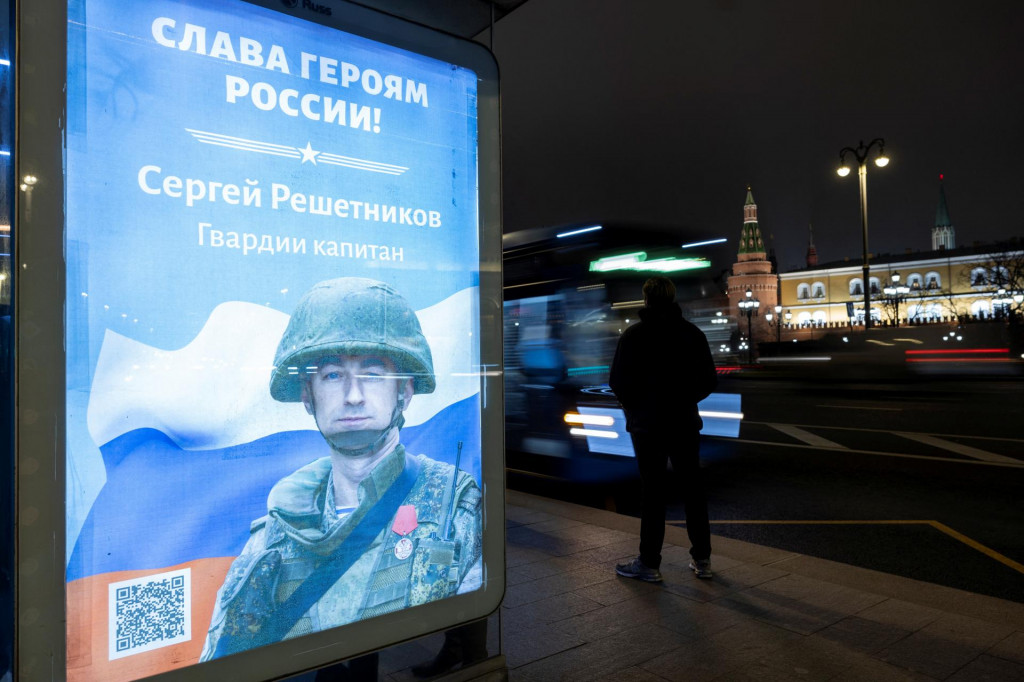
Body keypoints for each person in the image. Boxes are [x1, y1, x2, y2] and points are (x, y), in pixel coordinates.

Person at [201, 278, 483, 661]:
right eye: (333, 375)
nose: (353, 396)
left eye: (373, 374)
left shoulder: (456, 510)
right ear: (308, 395)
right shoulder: (274, 536)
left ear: (404, 391)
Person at [609, 276, 717, 582]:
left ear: (646, 300)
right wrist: (685, 400)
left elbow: (617, 381)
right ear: (673, 299)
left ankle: (649, 563)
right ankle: (702, 559)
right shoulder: (692, 334)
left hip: (647, 427)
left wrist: (636, 407)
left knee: (653, 494)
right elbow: (709, 379)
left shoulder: (634, 336)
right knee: (693, 490)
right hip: (684, 423)